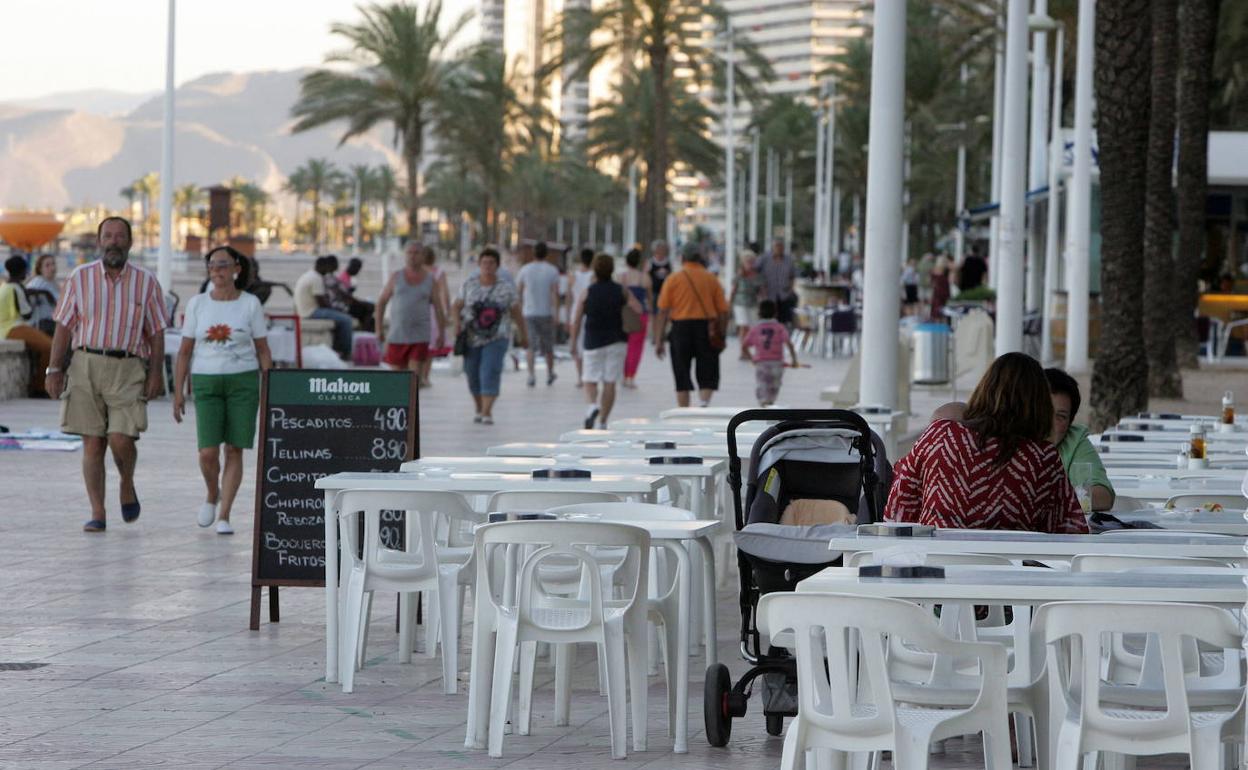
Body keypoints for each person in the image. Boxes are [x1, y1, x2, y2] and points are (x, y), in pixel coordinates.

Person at [46, 217, 169, 533]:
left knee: (121, 438)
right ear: (100, 241)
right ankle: (97, 512)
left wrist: (156, 374)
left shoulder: (146, 282)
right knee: (92, 443)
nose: (113, 241)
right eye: (108, 236)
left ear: (130, 242)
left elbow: (156, 332)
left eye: (120, 236)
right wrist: (54, 368)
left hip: (128, 368)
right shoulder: (79, 278)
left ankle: (126, 482)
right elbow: (63, 325)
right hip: (85, 364)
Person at [884, 352, 1088, 533]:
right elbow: (1070, 530)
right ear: (1040, 404)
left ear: (984, 389)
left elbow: (897, 512)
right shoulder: (1043, 458)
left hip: (938, 567)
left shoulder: (941, 436)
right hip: (1014, 572)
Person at [172, 246, 273, 535]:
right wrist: (179, 391)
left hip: (243, 380)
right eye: (213, 266)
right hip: (206, 380)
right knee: (207, 451)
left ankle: (225, 513)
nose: (217, 271)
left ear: (236, 269)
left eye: (223, 265)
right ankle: (211, 492)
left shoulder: (250, 303)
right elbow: (184, 351)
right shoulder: (197, 304)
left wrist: (270, 386)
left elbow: (263, 349)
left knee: (234, 448)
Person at [453, 248, 527, 425]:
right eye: (484, 263)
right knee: (472, 373)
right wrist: (456, 323)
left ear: (497, 266)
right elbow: (456, 306)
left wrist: (523, 334)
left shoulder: (506, 288)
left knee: (490, 371)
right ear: (479, 265)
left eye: (491, 263)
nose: (487, 266)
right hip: (471, 337)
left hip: (497, 337)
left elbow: (516, 312)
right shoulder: (469, 284)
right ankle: (479, 407)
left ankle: (487, 411)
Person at [571, 253, 644, 428]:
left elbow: (576, 319)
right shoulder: (621, 290)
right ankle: (603, 420)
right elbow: (639, 309)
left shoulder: (588, 291)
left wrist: (573, 342)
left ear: (595, 270)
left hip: (593, 341)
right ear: (612, 270)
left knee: (589, 379)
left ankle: (591, 406)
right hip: (617, 340)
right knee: (610, 382)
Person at [653, 243, 730, 408]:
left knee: (681, 371)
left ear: (682, 258)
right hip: (706, 329)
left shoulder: (673, 279)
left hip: (680, 329)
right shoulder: (711, 279)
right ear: (700, 259)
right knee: (707, 369)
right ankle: (703, 404)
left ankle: (684, 411)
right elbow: (723, 311)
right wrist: (722, 334)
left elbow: (663, 311)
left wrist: (658, 340)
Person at [1045, 367, 1116, 511]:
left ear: (1070, 423)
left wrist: (1043, 502)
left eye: (1061, 416)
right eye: (1044, 411)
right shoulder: (1005, 440)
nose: (1049, 423)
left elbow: (1103, 496)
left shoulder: (1074, 441)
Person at [376, 241, 445, 381]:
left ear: (422, 256)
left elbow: (438, 308)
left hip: (420, 335)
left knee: (413, 380)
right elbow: (381, 302)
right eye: (409, 253)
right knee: (397, 381)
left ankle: (412, 402)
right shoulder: (396, 277)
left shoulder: (430, 280)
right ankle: (399, 403)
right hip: (397, 334)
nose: (413, 256)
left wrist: (441, 333)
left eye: (416, 253)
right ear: (405, 255)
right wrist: (378, 329)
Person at [1, 255, 53, 396]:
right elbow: (27, 313)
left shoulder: (5, 286)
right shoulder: (16, 288)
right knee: (50, 347)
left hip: (6, 329)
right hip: (13, 328)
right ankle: (40, 387)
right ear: (22, 271)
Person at [516, 240, 561, 387]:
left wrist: (519, 311)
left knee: (531, 346)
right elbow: (554, 293)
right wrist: (556, 312)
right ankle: (549, 373)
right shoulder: (552, 270)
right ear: (546, 254)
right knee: (548, 345)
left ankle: (531, 375)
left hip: (529, 312)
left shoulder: (525, 270)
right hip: (546, 312)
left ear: (533, 253)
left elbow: (519, 292)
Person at [293, 256, 353, 361]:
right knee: (346, 320)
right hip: (311, 312)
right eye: (327, 267)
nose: (328, 271)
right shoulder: (317, 278)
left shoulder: (309, 275)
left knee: (340, 318)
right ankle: (345, 352)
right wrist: (336, 310)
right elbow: (322, 303)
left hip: (304, 310)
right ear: (322, 266)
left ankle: (337, 349)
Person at [742, 299, 799, 407]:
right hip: (777, 362)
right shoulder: (779, 327)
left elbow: (744, 346)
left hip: (761, 362)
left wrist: (752, 358)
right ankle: (770, 402)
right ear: (775, 313)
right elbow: (789, 344)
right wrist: (794, 360)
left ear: (759, 313)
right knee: (775, 386)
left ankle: (764, 402)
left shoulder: (755, 328)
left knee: (762, 384)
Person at [619, 248, 653, 389]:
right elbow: (650, 299)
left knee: (623, 347)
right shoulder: (644, 278)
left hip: (625, 315)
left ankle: (623, 375)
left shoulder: (622, 277)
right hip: (640, 315)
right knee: (636, 348)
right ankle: (631, 377)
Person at [421, 245, 452, 386]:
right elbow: (445, 294)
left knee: (419, 346)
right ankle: (425, 377)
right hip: (434, 311)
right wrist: (448, 311)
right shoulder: (438, 272)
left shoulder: (418, 272)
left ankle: (417, 375)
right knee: (430, 349)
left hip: (419, 310)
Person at [569, 248, 595, 386]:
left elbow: (569, 296)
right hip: (589, 312)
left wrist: (567, 313)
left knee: (576, 343)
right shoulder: (593, 276)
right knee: (586, 344)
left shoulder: (573, 275)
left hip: (575, 311)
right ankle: (586, 374)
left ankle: (580, 376)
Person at [759, 238, 798, 326]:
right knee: (769, 319)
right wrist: (761, 288)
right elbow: (755, 271)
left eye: (781, 246)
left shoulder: (789, 260)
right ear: (773, 247)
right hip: (768, 294)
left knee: (783, 319)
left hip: (784, 294)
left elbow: (792, 276)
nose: (779, 248)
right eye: (777, 246)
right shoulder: (764, 259)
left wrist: (791, 289)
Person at [730, 250, 763, 352]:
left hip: (753, 303)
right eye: (747, 261)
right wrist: (729, 304)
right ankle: (744, 350)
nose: (750, 263)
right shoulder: (739, 275)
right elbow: (733, 290)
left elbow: (760, 291)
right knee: (743, 326)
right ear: (743, 262)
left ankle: (749, 347)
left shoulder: (757, 275)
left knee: (752, 327)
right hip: (740, 303)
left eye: (751, 261)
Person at [26, 253, 61, 336]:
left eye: (53, 264)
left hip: (48, 323)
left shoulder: (49, 282)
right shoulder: (39, 284)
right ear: (40, 269)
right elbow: (61, 304)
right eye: (47, 265)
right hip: (43, 324)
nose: (52, 268)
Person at [647, 239, 673, 313]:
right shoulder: (650, 262)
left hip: (665, 290)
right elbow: (647, 276)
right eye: (659, 249)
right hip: (653, 290)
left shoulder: (668, 262)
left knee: (664, 310)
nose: (661, 251)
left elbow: (671, 276)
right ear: (655, 250)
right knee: (654, 310)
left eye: (663, 249)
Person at [929, 255, 951, 321]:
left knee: (938, 311)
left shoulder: (936, 270)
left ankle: (937, 324)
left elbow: (932, 282)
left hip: (938, 293)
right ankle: (939, 324)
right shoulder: (944, 271)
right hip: (941, 293)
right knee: (940, 311)